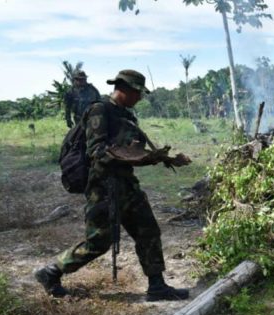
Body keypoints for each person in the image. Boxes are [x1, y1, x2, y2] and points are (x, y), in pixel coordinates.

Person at [35, 69, 189, 301]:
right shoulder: (100, 110)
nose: (140, 97)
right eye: (138, 93)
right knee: (98, 242)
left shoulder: (127, 116)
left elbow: (134, 152)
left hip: (127, 184)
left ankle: (157, 286)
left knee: (148, 231)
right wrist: (138, 157)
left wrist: (163, 158)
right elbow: (96, 151)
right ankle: (51, 272)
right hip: (104, 187)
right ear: (125, 89)